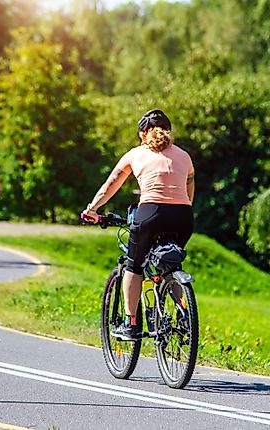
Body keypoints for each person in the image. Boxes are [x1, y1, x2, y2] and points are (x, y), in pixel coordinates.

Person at [82, 109, 195, 340]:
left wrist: (92, 209)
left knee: (133, 267)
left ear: (143, 133)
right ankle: (184, 312)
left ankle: (130, 323)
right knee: (170, 268)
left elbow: (111, 184)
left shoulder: (135, 154)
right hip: (184, 217)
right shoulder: (184, 155)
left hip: (150, 213)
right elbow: (189, 187)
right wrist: (182, 208)